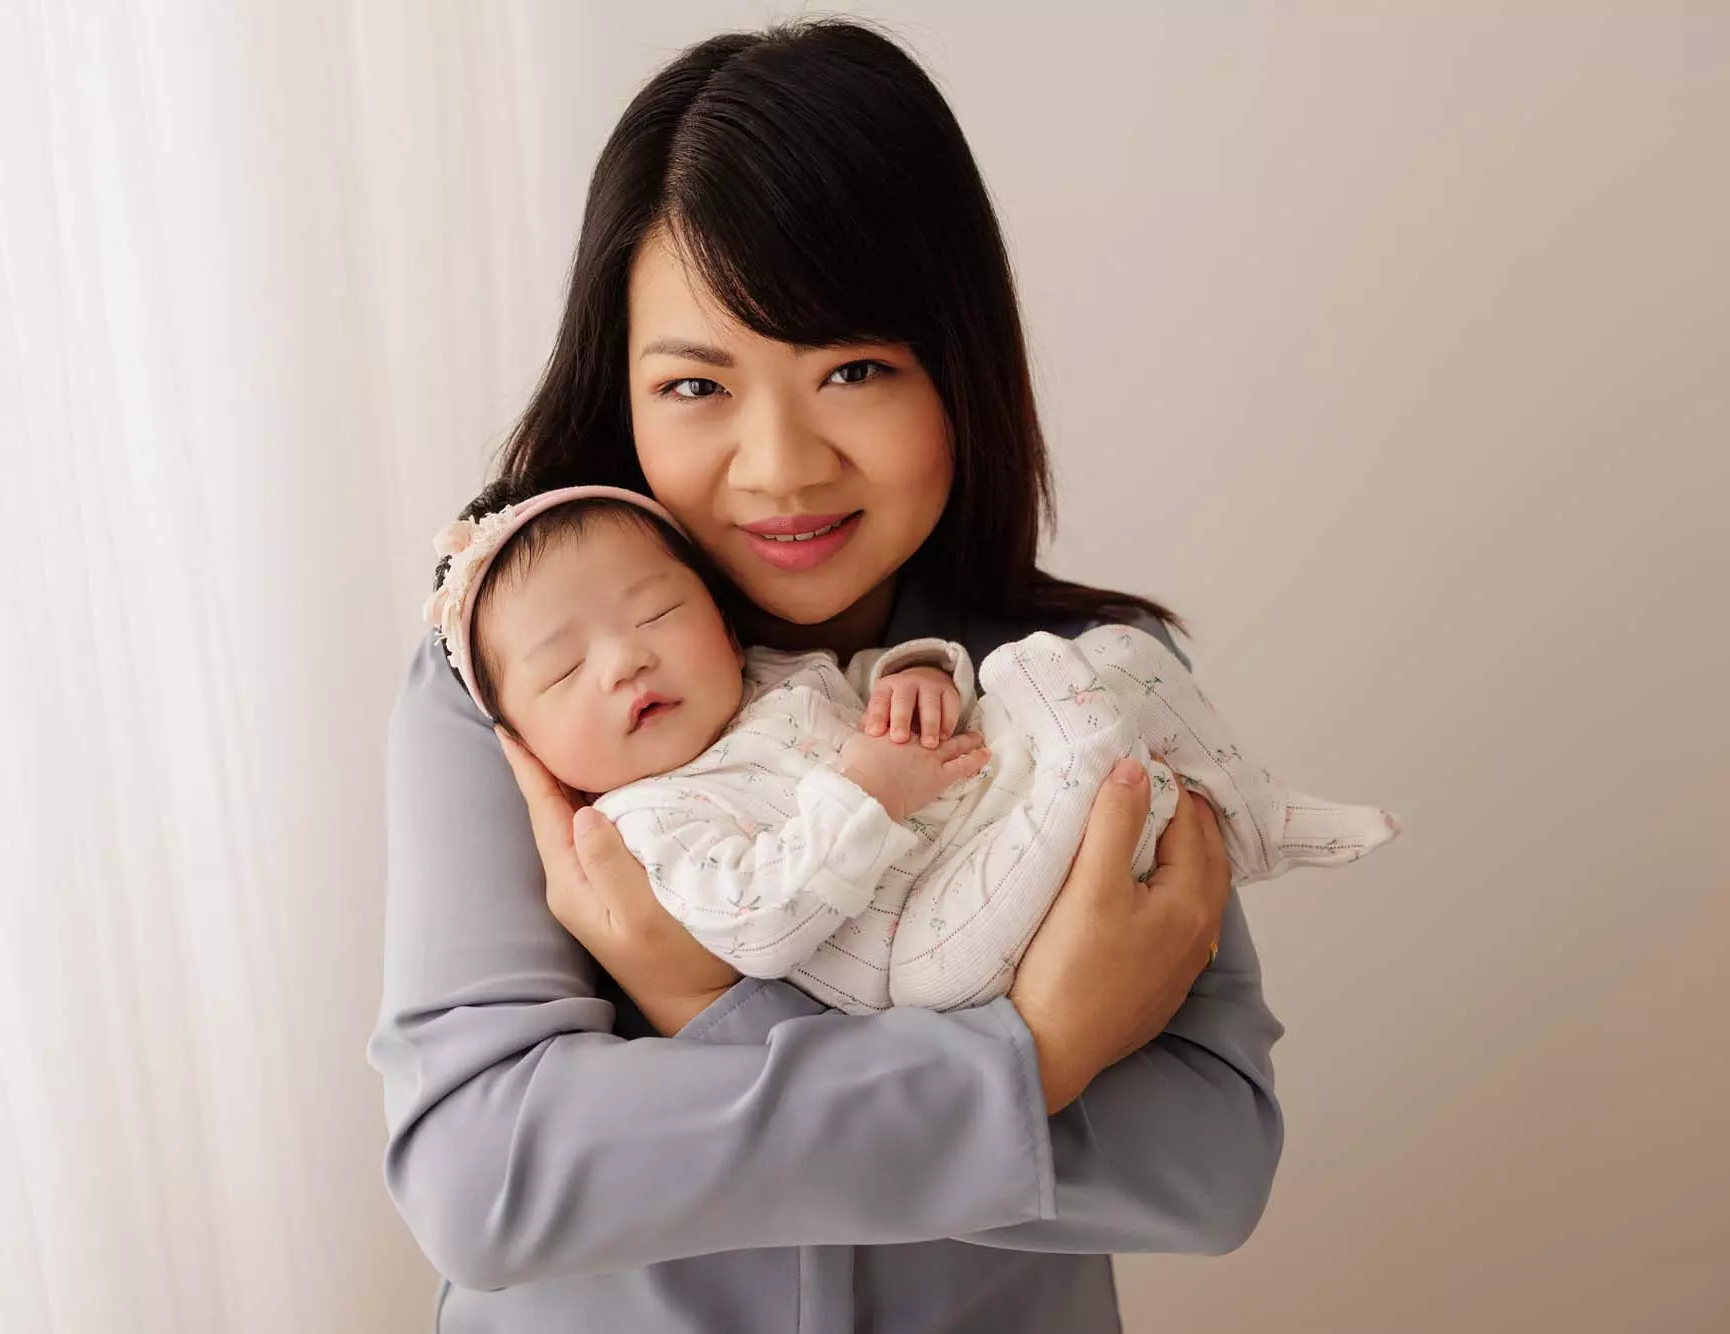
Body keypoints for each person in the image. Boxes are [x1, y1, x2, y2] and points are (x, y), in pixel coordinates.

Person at [370, 20, 1288, 1332]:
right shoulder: (516, 682)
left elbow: (1208, 1161)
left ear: (958, 367)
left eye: (853, 370)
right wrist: (1032, 1058)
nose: (782, 466)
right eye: (697, 385)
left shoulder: (1086, 692)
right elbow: (485, 1176)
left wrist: (700, 1006)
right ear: (620, 389)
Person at [422, 481, 1398, 1015]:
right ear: (525, 748)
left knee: (1104, 655)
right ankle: (1144, 801)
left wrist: (917, 677)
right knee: (1081, 748)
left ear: (718, 619)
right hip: (921, 946)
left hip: (984, 819)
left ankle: (1251, 813)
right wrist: (865, 794)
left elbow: (870, 691)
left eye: (657, 613)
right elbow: (753, 926)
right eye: (563, 670)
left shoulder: (773, 680)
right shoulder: (645, 822)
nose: (624, 660)